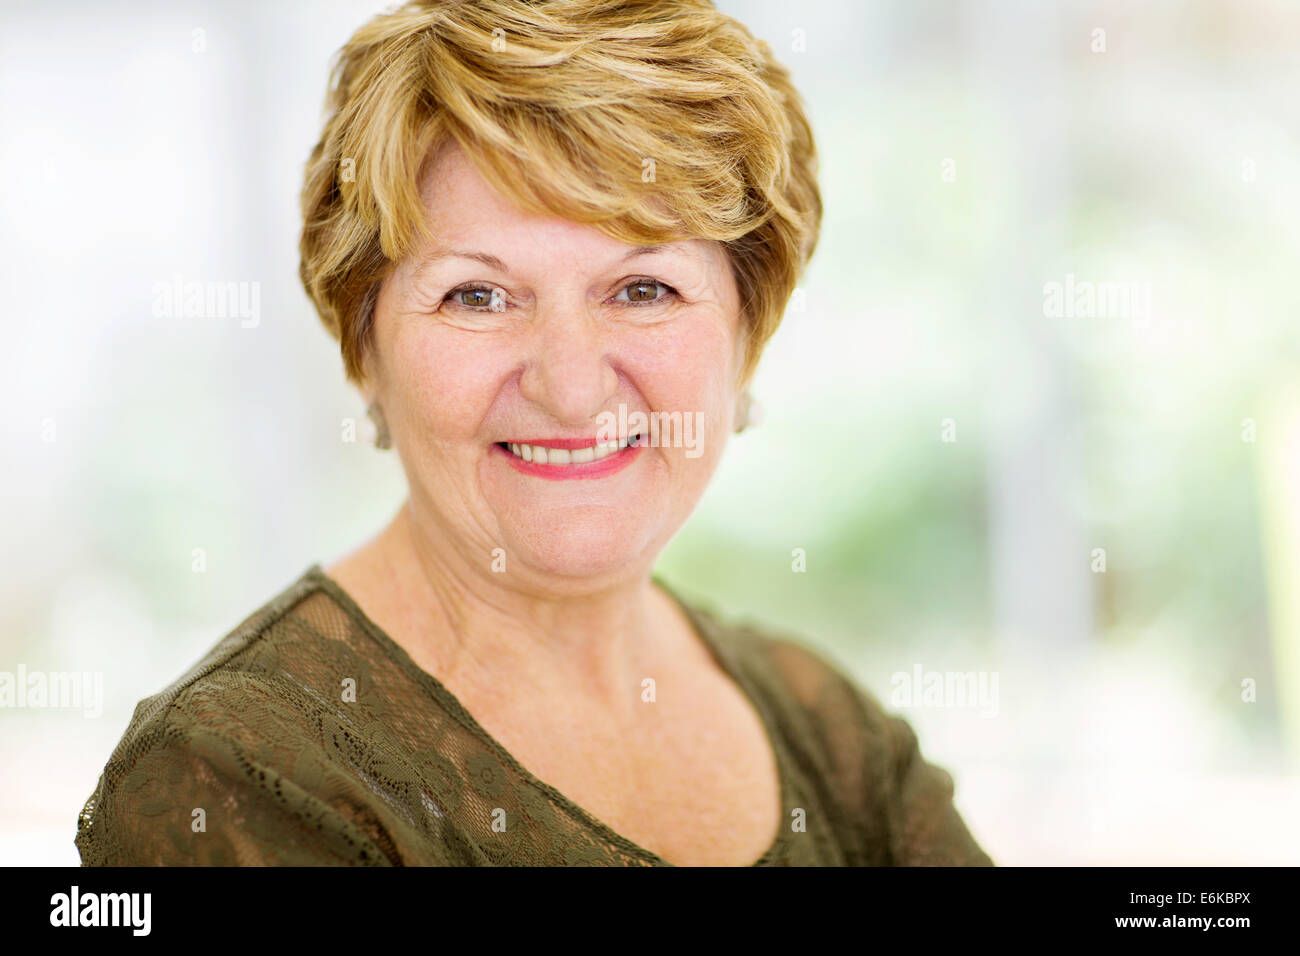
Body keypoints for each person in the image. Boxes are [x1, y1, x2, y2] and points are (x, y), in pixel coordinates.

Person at [75, 0, 993, 866]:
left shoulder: (834, 737)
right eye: (477, 295)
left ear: (748, 338)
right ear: (365, 349)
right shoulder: (233, 774)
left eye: (644, 290)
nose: (570, 387)